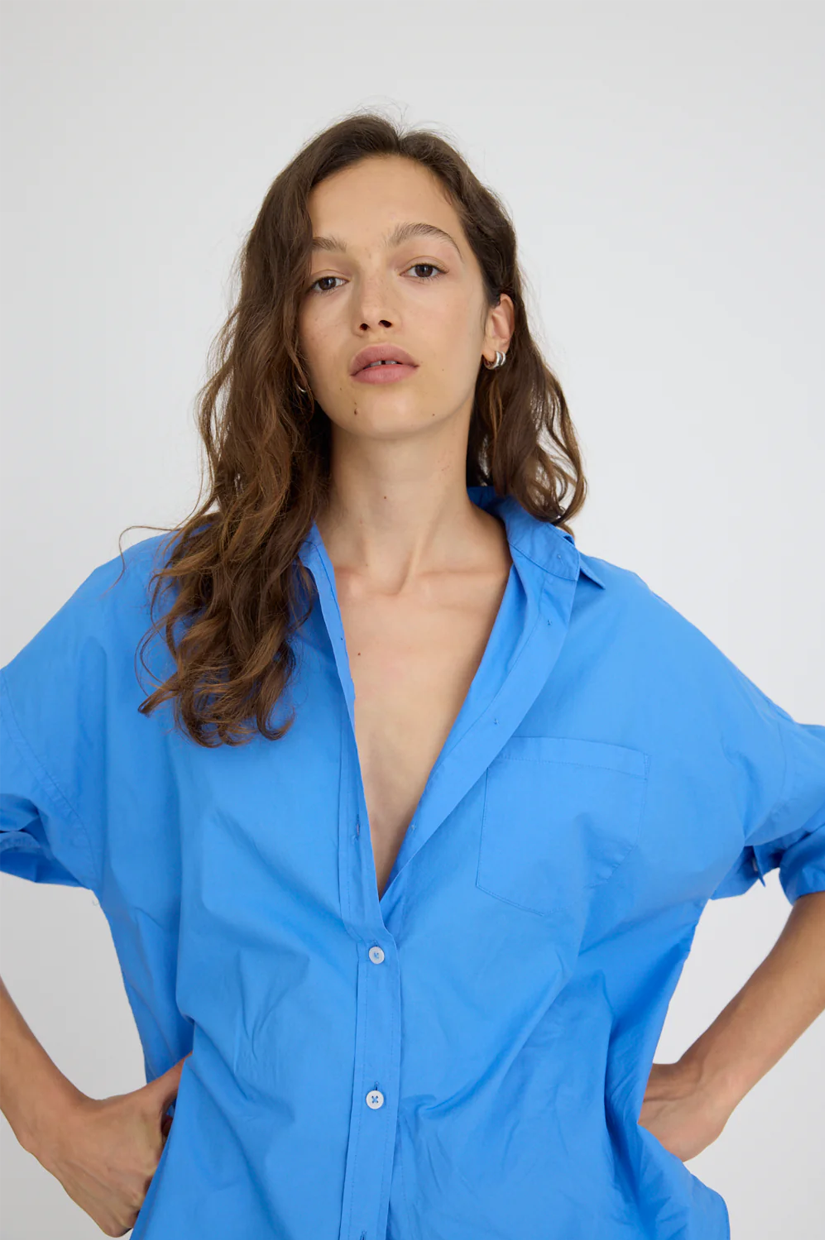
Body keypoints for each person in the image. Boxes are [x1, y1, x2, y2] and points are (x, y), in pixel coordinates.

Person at [1, 109, 823, 1240]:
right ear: (289, 339)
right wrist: (49, 1122)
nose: (373, 307)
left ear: (495, 325)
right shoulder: (157, 622)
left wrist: (715, 1084)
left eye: (420, 267)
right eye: (324, 279)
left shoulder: (622, 650)